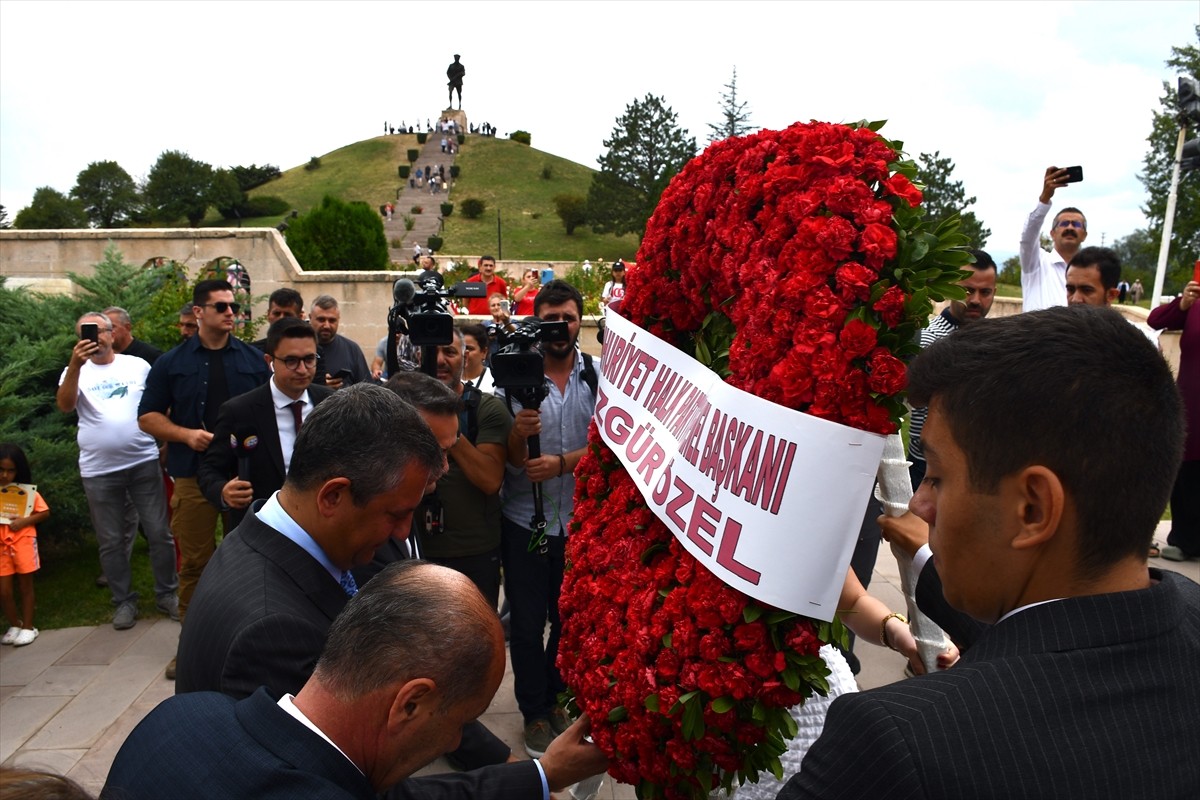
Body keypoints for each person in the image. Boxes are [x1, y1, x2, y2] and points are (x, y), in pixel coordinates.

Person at [779, 306, 1199, 799]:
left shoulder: (901, 741)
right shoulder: (1187, 615)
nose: (919, 503)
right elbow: (1058, 636)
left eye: (935, 475)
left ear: (1032, 508)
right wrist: (919, 571)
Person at [105, 562, 609, 800]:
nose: (458, 740)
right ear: (409, 703)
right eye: (462, 721)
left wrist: (544, 776)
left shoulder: (177, 718)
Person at [175, 383, 443, 699]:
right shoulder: (273, 635)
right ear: (332, 496)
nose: (402, 532)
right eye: (396, 513)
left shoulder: (260, 538)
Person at [138, 280, 271, 677]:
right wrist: (185, 435)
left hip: (244, 476)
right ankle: (192, 647)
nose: (231, 313)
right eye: (221, 307)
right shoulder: (172, 363)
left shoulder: (251, 359)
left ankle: (248, 644)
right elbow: (147, 416)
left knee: (253, 560)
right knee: (195, 562)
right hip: (193, 476)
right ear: (199, 313)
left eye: (233, 306)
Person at [498, 279, 598, 757]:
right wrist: (520, 434)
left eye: (569, 318)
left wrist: (561, 463)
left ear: (580, 322)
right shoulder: (512, 378)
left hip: (578, 522)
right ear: (537, 321)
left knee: (567, 618)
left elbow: (609, 445)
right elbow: (509, 457)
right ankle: (533, 711)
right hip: (525, 522)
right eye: (550, 319)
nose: (560, 327)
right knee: (527, 619)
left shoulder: (596, 377)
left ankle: (558, 697)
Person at [57, 312, 179, 631]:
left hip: (142, 460)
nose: (94, 338)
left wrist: (165, 440)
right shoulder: (74, 371)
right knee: (110, 540)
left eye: (99, 331)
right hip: (99, 469)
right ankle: (123, 601)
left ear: (112, 334)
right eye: (86, 333)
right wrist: (74, 366)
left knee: (159, 532)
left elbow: (159, 405)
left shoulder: (136, 366)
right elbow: (66, 405)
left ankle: (167, 593)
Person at [197, 317, 333, 531]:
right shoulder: (239, 411)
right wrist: (223, 491)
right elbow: (210, 469)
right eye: (291, 361)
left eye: (309, 359)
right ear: (269, 361)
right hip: (263, 527)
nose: (302, 369)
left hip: (324, 523)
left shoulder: (330, 403)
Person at [417, 330, 511, 607]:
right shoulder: (402, 406)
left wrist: (449, 432)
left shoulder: (486, 408)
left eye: (450, 351)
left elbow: (490, 480)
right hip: (419, 549)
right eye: (433, 352)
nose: (441, 360)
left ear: (465, 357)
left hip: (475, 551)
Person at [907, 249, 996, 488]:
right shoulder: (927, 342)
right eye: (967, 290)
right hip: (926, 470)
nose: (976, 300)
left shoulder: (997, 343)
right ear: (950, 288)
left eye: (985, 292)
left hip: (977, 471)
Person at [1148, 278, 1200, 562]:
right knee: (1188, 468)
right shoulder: (1195, 304)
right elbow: (1156, 320)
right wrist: (1183, 304)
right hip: (1192, 399)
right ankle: (1185, 539)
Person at [1018, 166, 1087, 312]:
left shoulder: (1088, 273)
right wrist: (1044, 199)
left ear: (1084, 235)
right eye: (1063, 223)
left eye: (1076, 224)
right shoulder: (1036, 264)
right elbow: (1027, 238)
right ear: (1052, 233)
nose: (1070, 227)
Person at [0, 443, 49, 647]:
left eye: (10, 470)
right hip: (2, 547)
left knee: (25, 586)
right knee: (4, 591)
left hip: (24, 542)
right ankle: (15, 624)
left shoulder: (27, 493)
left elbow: (44, 512)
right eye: (1, 469)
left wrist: (22, 522)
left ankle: (29, 627)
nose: (5, 475)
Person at [310, 295, 370, 388]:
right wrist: (319, 388)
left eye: (332, 320)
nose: (326, 325)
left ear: (338, 320)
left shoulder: (352, 350)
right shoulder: (298, 348)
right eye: (321, 320)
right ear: (310, 318)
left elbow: (367, 389)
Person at [461, 323, 494, 394]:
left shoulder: (494, 381)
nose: (464, 352)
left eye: (469, 348)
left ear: (484, 352)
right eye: (460, 348)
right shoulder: (448, 378)